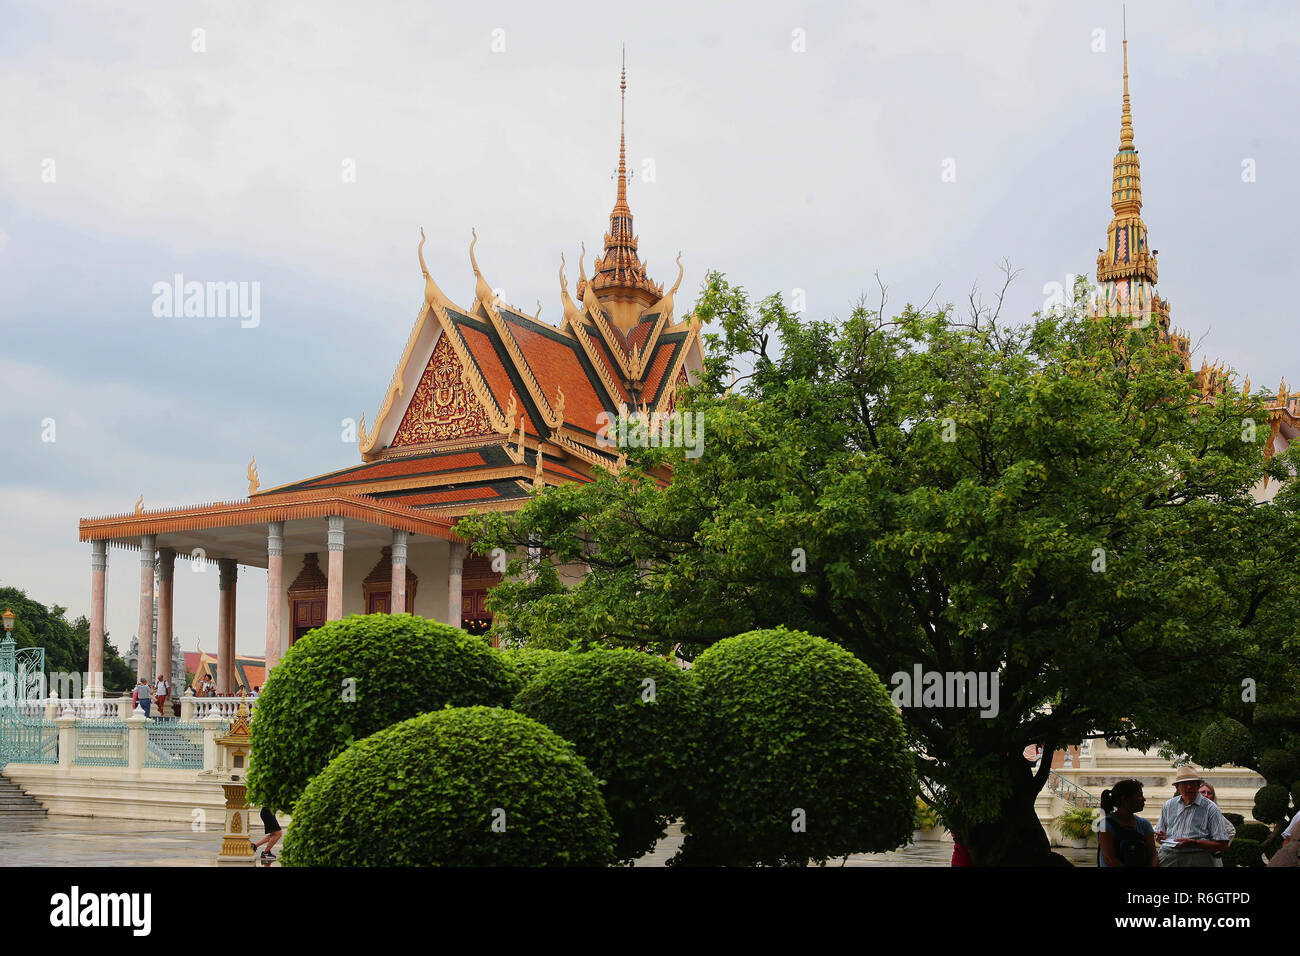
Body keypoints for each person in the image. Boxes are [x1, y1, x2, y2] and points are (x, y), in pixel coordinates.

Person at [1154, 766, 1231, 867]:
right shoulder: (1168, 805)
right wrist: (1161, 837)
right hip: (1169, 858)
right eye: (1184, 784)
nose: (1189, 787)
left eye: (1192, 783)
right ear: (1177, 787)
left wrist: (1194, 843)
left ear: (1198, 785)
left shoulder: (1210, 808)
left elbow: (1223, 845)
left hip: (1197, 859)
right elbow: (1159, 837)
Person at [1097, 779, 1158, 867]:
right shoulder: (1105, 825)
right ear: (1124, 799)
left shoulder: (1145, 824)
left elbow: (1153, 854)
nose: (1144, 799)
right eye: (1139, 795)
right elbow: (1109, 859)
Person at [1197, 781, 1236, 867]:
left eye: (1209, 793)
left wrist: (1217, 847)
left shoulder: (1215, 813)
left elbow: (1231, 831)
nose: (1206, 795)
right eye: (1202, 792)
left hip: (1211, 859)